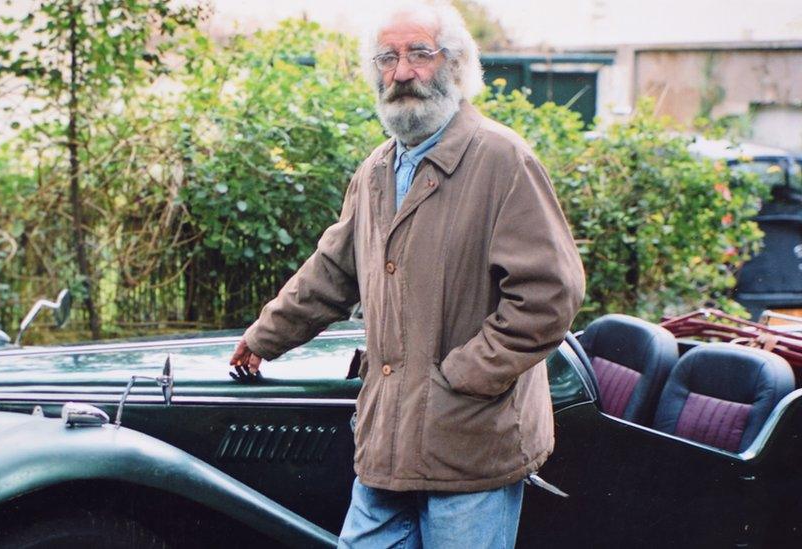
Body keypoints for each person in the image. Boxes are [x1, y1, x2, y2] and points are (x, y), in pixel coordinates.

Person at [229, 1, 585, 547]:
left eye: (420, 53)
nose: (401, 72)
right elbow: (332, 270)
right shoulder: (376, 170)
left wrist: (463, 376)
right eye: (388, 57)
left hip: (472, 448)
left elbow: (549, 296)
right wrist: (264, 337)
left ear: (456, 64)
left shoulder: (502, 161)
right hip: (388, 443)